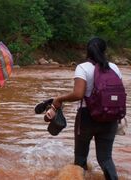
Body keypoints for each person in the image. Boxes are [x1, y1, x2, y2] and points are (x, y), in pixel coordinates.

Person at [52, 37, 121, 180]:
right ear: (104, 50)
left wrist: (59, 99)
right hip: (111, 117)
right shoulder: (114, 68)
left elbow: (78, 94)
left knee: (80, 159)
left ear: (87, 51)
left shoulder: (82, 67)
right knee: (106, 159)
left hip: (87, 118)